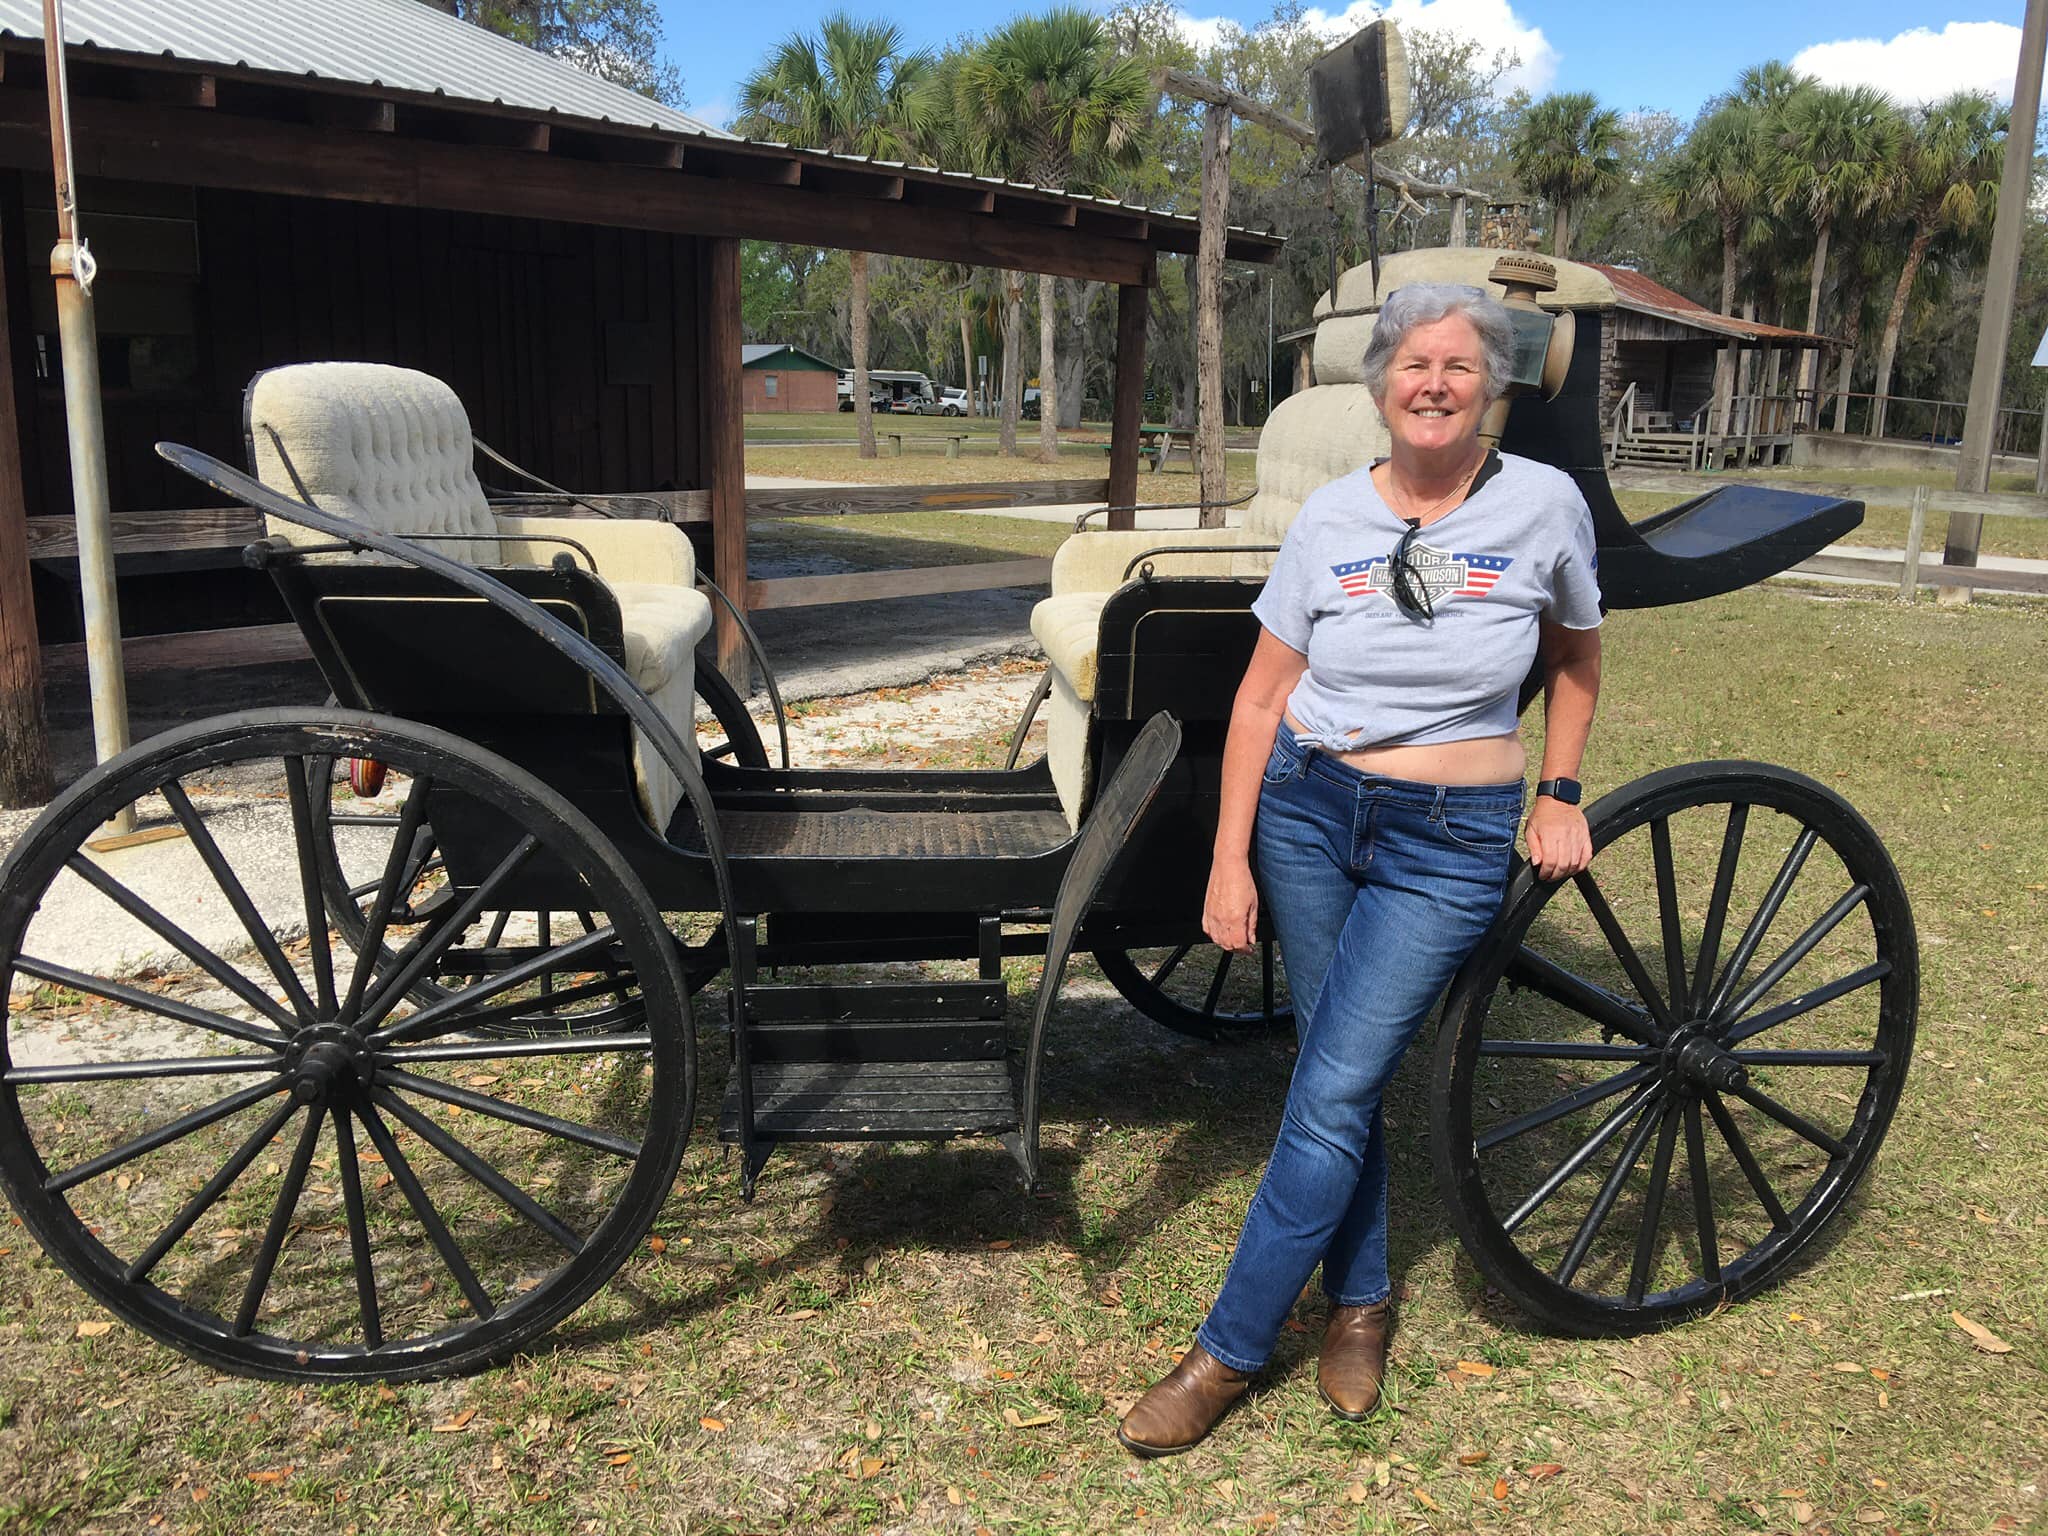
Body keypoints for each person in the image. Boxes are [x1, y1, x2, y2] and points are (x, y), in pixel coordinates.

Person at [1117, 283, 1604, 1457]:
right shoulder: (1332, 518)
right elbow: (1258, 698)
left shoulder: (1544, 506)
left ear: (1489, 385)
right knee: (1337, 1069)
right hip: (1307, 810)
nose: (1431, 383)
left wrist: (1557, 789)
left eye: (1456, 365)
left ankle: (1226, 1354)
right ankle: (1361, 1301)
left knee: (1331, 1088)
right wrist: (1227, 858)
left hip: (1447, 837)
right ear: (1379, 387)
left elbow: (1577, 658)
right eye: (1411, 365)